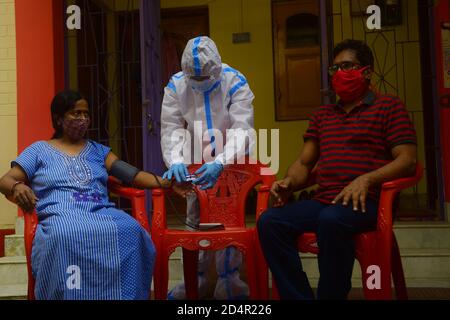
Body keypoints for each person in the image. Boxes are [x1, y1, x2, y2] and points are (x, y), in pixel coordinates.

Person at [257, 39, 418, 300]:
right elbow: (304, 164)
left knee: (330, 219)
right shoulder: (323, 116)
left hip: (367, 202)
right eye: (335, 69)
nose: (340, 74)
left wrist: (366, 180)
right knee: (270, 222)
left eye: (347, 66)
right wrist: (289, 182)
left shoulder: (389, 107)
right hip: (326, 200)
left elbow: (407, 160)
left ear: (366, 71)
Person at [0, 90, 190, 300]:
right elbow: (6, 180)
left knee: (133, 229)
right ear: (59, 118)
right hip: (60, 214)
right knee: (64, 233)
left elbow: (133, 175)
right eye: (75, 113)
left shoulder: (98, 151)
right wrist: (17, 186)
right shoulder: (39, 150)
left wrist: (168, 183)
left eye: (86, 114)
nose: (82, 119)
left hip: (100, 210)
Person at [160, 36, 255, 300]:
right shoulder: (176, 85)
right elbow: (171, 128)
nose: (200, 85)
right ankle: (195, 281)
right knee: (194, 218)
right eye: (196, 80)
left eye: (205, 79)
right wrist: (176, 161)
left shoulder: (235, 81)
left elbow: (242, 129)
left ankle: (230, 282)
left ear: (217, 66)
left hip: (232, 160)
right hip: (195, 158)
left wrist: (221, 161)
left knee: (229, 219)